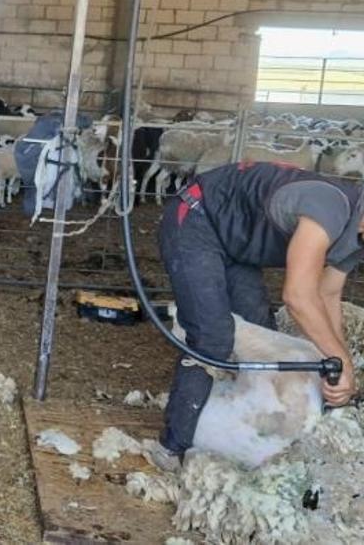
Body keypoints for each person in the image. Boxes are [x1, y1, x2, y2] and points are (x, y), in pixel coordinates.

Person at [150, 160, 360, 471]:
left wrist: (340, 368)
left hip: (238, 242)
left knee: (262, 330)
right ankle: (172, 444)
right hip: (197, 217)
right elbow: (298, 297)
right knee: (213, 337)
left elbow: (328, 295)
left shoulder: (357, 236)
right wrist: (339, 359)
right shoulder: (328, 209)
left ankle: (244, 426)